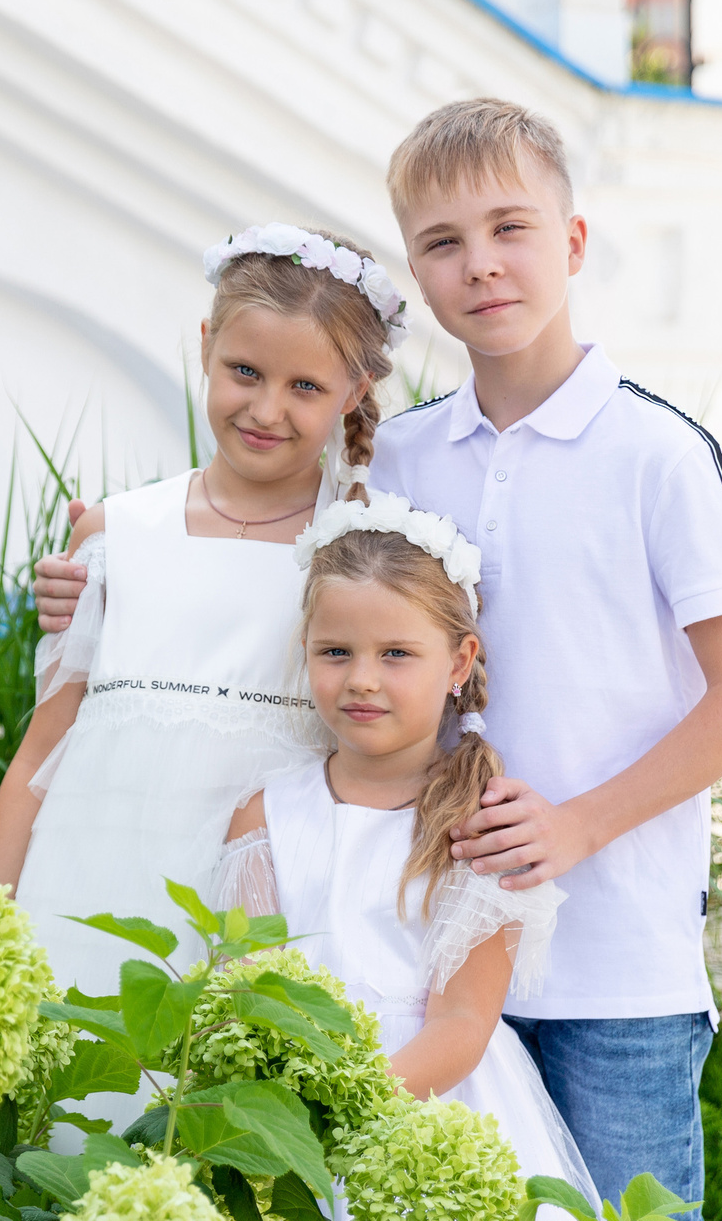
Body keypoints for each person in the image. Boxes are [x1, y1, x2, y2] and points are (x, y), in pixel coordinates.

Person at [31, 100, 722, 1204]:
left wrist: (573, 827)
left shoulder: (657, 454)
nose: (479, 265)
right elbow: (281, 563)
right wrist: (102, 572)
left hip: (610, 965)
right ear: (417, 279)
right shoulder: (401, 460)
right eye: (442, 244)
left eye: (508, 229)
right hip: (405, 956)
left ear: (571, 243)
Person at [0, 224, 407, 1133]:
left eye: (306, 388)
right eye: (245, 372)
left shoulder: (358, 558)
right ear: (206, 348)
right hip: (86, 896)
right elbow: (38, 755)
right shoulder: (114, 533)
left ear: (352, 393)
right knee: (64, 1140)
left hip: (257, 918)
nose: (267, 409)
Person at [211, 491, 599, 1212]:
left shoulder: (479, 820)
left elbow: (461, 1023)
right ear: (306, 652)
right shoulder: (264, 813)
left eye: (396, 654)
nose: (362, 677)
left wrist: (346, 1114)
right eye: (336, 651)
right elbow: (246, 987)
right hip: (288, 1110)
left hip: (431, 1108)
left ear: (459, 661)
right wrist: (284, 1119)